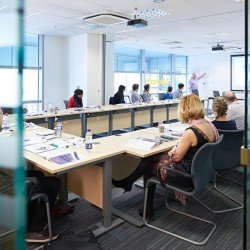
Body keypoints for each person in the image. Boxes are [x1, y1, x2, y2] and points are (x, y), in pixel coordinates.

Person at [112, 94, 219, 219]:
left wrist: (173, 149)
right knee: (151, 158)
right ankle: (128, 182)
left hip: (187, 175)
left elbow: (175, 158)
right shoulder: (209, 125)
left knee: (150, 167)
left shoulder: (191, 132)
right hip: (201, 171)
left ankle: (146, 209)